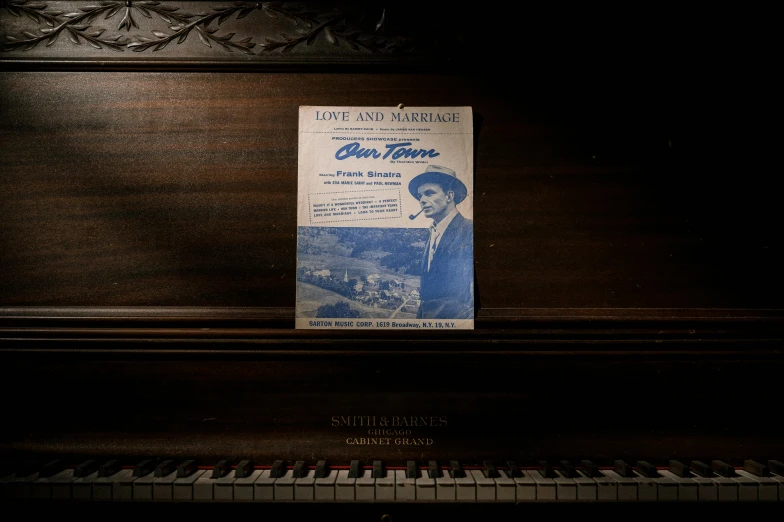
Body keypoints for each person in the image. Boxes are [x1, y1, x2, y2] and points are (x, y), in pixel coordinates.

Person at [408, 165, 474, 319]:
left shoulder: (469, 230)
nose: (423, 200)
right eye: (420, 196)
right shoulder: (433, 233)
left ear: (449, 196)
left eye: (429, 193)